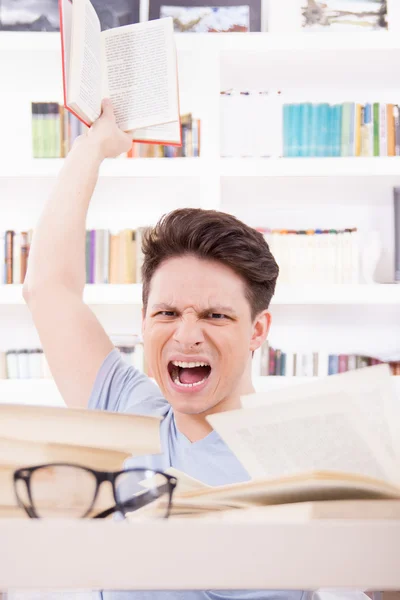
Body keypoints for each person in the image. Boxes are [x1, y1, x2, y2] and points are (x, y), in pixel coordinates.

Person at [23, 99, 306, 600]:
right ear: (144, 322)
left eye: (215, 315)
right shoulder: (126, 412)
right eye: (168, 313)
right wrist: (94, 147)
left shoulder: (304, 464)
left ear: (257, 330)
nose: (187, 335)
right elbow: (48, 288)